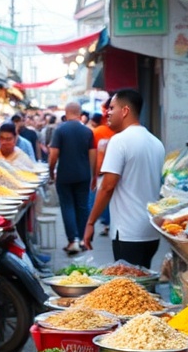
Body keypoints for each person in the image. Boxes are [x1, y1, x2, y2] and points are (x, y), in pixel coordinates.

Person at [82, 89, 165, 268]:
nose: (107, 112)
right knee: (144, 287)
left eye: (112, 107)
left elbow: (107, 186)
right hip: (151, 231)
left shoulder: (119, 141)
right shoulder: (156, 143)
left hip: (128, 233)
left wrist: (90, 222)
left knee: (130, 291)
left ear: (125, 111)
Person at [48, 101, 95, 255]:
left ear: (66, 113)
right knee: (82, 206)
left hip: (64, 174)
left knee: (67, 206)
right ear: (80, 113)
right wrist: (93, 174)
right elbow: (93, 155)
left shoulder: (60, 130)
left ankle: (72, 241)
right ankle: (83, 240)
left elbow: (53, 154)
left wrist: (51, 171)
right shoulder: (87, 131)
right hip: (83, 174)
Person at [91, 102, 116, 236]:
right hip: (116, 171)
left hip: (103, 171)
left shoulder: (97, 132)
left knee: (105, 197)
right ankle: (110, 223)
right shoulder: (120, 131)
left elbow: (93, 156)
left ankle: (107, 223)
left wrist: (94, 176)